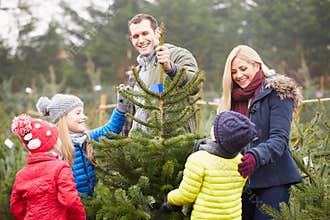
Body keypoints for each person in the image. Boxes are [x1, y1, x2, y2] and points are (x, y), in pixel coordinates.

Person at [217, 45, 303, 219]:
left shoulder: (278, 91)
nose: (238, 75)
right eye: (233, 72)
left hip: (273, 181)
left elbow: (279, 140)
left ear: (257, 64)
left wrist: (254, 156)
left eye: (243, 68)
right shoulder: (232, 98)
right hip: (240, 182)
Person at [162, 111, 257, 220]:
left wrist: (169, 198)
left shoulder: (199, 159)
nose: (212, 126)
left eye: (215, 126)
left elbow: (187, 195)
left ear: (218, 137)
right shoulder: (242, 162)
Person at [36, 90, 128, 196]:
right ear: (63, 117)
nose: (84, 117)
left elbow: (110, 130)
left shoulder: (86, 137)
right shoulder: (55, 148)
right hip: (70, 205)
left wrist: (121, 108)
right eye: (78, 113)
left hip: (90, 202)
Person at [127, 13, 200, 134]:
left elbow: (196, 85)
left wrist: (171, 68)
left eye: (145, 33)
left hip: (173, 145)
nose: (141, 40)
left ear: (157, 32)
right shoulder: (136, 72)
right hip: (142, 146)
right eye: (135, 36)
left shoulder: (177, 55)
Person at [10, 114, 86, 220]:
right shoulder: (61, 168)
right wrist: (80, 217)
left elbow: (16, 206)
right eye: (57, 139)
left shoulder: (21, 174)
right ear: (53, 145)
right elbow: (70, 199)